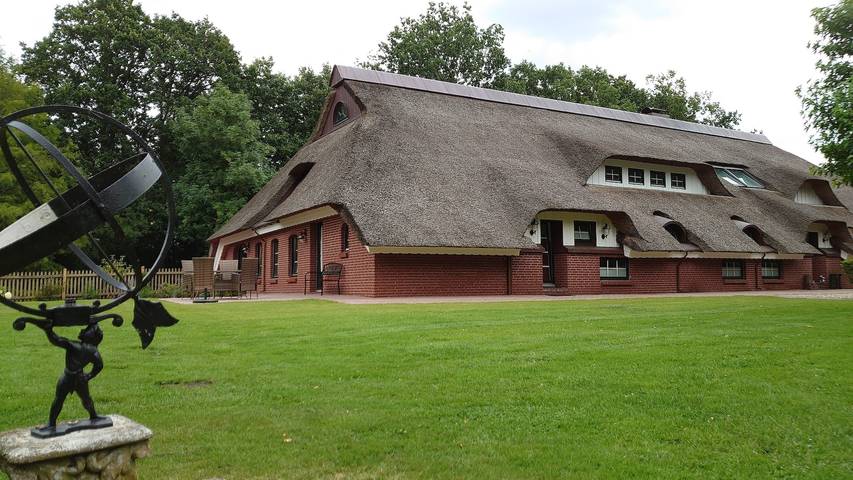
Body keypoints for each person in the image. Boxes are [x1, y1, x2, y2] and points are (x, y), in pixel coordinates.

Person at [42, 324, 105, 428]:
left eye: (87, 330)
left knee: (61, 400)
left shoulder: (75, 345)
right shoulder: (93, 350)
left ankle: (51, 423)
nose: (83, 330)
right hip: (77, 378)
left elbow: (57, 340)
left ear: (91, 336)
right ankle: (52, 422)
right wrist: (89, 375)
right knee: (83, 399)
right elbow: (99, 365)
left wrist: (48, 331)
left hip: (70, 378)